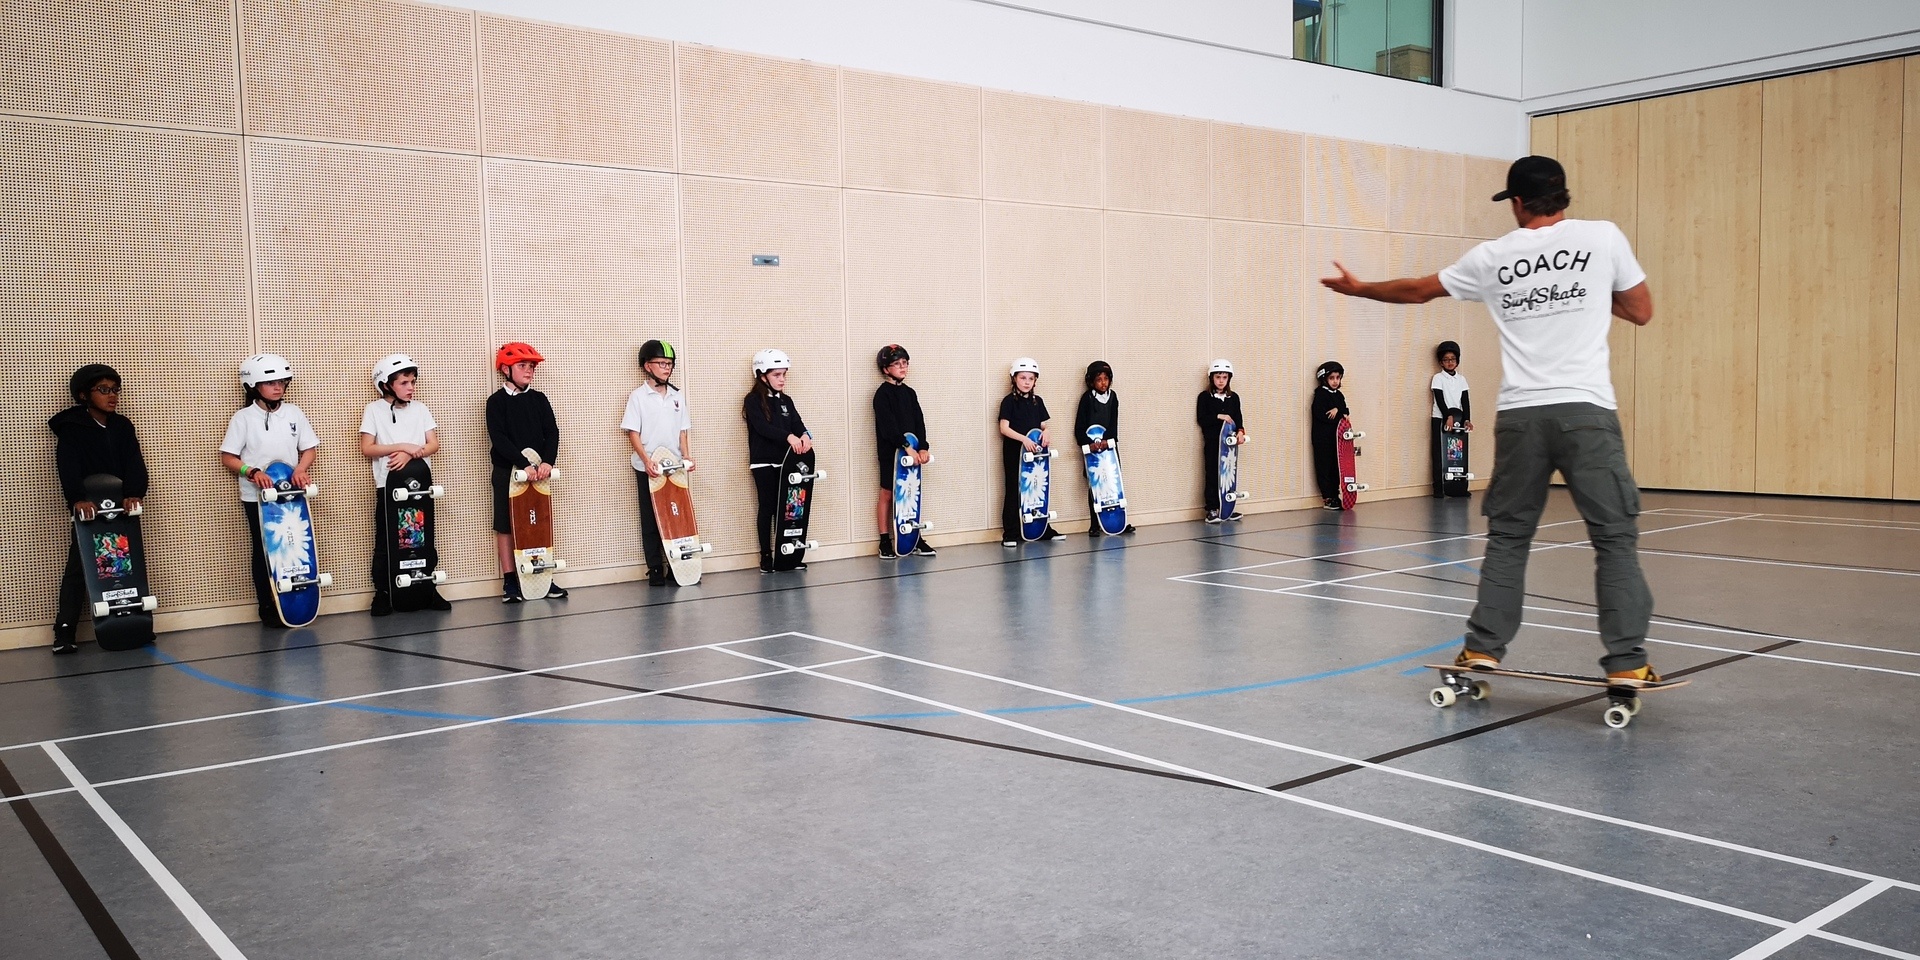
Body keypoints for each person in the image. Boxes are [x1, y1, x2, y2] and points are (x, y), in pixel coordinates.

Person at [1319, 154, 1661, 685]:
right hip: (1586, 413)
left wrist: (1359, 288)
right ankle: (1628, 662)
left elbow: (1417, 289)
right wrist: (1589, 293)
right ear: (1564, 197)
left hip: (1521, 418)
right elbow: (1641, 310)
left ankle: (1482, 650)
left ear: (1518, 203)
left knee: (1509, 538)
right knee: (1614, 537)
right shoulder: (1604, 238)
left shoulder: (1493, 257)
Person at [49, 364, 149, 654]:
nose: (112, 395)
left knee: (126, 565)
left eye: (115, 390)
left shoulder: (122, 426)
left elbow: (134, 462)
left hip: (121, 510)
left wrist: (134, 493)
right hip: (90, 510)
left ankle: (135, 622)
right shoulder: (72, 429)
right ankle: (64, 632)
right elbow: (67, 467)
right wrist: (77, 498)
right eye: (103, 390)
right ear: (83, 395)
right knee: (80, 568)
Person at [219, 353, 319, 627]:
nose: (278, 387)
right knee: (265, 549)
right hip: (258, 497)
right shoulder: (244, 418)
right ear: (253, 386)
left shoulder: (294, 413)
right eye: (270, 382)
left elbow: (308, 448)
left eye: (282, 382)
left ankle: (295, 600)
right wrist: (251, 471)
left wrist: (301, 469)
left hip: (291, 494)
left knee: (294, 545)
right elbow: (228, 456)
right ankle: (268, 604)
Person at [360, 353, 449, 615]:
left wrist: (411, 454)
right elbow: (367, 447)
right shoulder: (373, 410)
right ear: (386, 385)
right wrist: (402, 446)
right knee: (387, 539)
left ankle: (427, 587)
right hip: (388, 486)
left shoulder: (420, 409)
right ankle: (383, 592)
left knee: (421, 538)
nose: (411, 388)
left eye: (412, 382)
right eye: (404, 383)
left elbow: (433, 444)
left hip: (420, 485)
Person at [486, 342, 566, 603]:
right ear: (506, 370)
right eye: (523, 366)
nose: (529, 370)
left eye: (531, 366)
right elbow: (499, 438)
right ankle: (510, 582)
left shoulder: (539, 399)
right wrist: (523, 463)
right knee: (506, 525)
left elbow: (552, 432)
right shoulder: (496, 402)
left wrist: (547, 462)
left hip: (538, 473)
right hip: (508, 470)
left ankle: (542, 576)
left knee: (537, 523)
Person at [622, 339, 693, 585]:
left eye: (669, 364)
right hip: (649, 467)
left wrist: (686, 456)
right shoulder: (638, 397)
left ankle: (677, 566)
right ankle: (655, 568)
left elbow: (682, 431)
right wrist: (646, 460)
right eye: (661, 363)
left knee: (675, 517)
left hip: (674, 467)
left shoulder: (677, 396)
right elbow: (633, 433)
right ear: (647, 366)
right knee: (651, 518)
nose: (666, 368)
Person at [743, 349, 813, 573]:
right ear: (762, 375)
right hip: (764, 463)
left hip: (786, 463)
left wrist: (804, 436)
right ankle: (766, 556)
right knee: (768, 508)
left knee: (789, 509)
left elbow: (798, 424)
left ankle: (788, 553)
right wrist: (788, 437)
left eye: (784, 374)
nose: (782, 379)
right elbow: (763, 428)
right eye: (777, 375)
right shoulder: (753, 400)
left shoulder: (786, 401)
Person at [873, 344, 936, 559]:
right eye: (897, 364)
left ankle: (914, 536)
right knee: (888, 493)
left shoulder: (910, 393)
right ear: (885, 369)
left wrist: (923, 447)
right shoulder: (882, 394)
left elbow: (919, 422)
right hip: (892, 452)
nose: (903, 367)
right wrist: (905, 447)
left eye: (905, 363)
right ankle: (884, 541)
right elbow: (888, 427)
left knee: (912, 493)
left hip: (913, 453)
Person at [997, 357, 1066, 546]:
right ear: (1014, 379)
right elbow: (1004, 428)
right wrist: (1023, 439)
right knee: (1014, 489)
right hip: (1015, 451)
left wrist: (1047, 432)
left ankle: (1042, 528)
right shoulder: (1008, 402)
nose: (1027, 382)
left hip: (1036, 453)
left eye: (1031, 379)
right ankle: (1010, 533)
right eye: (1022, 378)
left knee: (1037, 488)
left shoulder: (1037, 402)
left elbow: (1043, 425)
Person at [1075, 360, 1134, 537]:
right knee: (1095, 484)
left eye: (1106, 379)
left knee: (1114, 483)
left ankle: (1118, 523)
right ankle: (1095, 523)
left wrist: (1108, 441)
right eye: (1099, 379)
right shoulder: (1087, 398)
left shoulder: (1113, 397)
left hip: (1109, 447)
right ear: (1091, 381)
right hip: (1092, 449)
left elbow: (1113, 424)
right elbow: (1079, 426)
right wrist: (1087, 443)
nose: (1103, 383)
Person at [1196, 359, 1247, 523]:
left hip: (1229, 445)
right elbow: (1201, 418)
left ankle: (1227, 507)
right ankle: (1212, 509)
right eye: (1218, 377)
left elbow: (1238, 417)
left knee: (1229, 475)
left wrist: (1240, 432)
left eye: (1224, 377)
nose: (1221, 381)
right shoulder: (1205, 397)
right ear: (1211, 378)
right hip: (1213, 443)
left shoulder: (1234, 397)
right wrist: (1219, 416)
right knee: (1212, 474)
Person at [1430, 340, 1473, 498]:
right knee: (1440, 453)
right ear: (1441, 362)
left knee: (1458, 454)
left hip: (1458, 419)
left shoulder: (1461, 379)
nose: (1450, 362)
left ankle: (1460, 487)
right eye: (1446, 359)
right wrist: (1447, 415)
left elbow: (1465, 401)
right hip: (1441, 418)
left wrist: (1467, 419)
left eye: (1453, 359)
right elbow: (1440, 399)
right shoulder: (1438, 378)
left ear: (1457, 361)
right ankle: (1439, 488)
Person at [1310, 361, 1350, 510]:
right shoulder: (1320, 394)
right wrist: (1338, 412)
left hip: (1336, 439)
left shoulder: (1339, 395)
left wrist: (1337, 411)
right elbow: (1323, 415)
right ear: (1324, 379)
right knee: (1324, 467)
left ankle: (1335, 493)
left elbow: (1345, 411)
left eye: (1338, 378)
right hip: (1323, 439)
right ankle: (1327, 497)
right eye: (1332, 378)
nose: (1335, 381)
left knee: (1335, 467)